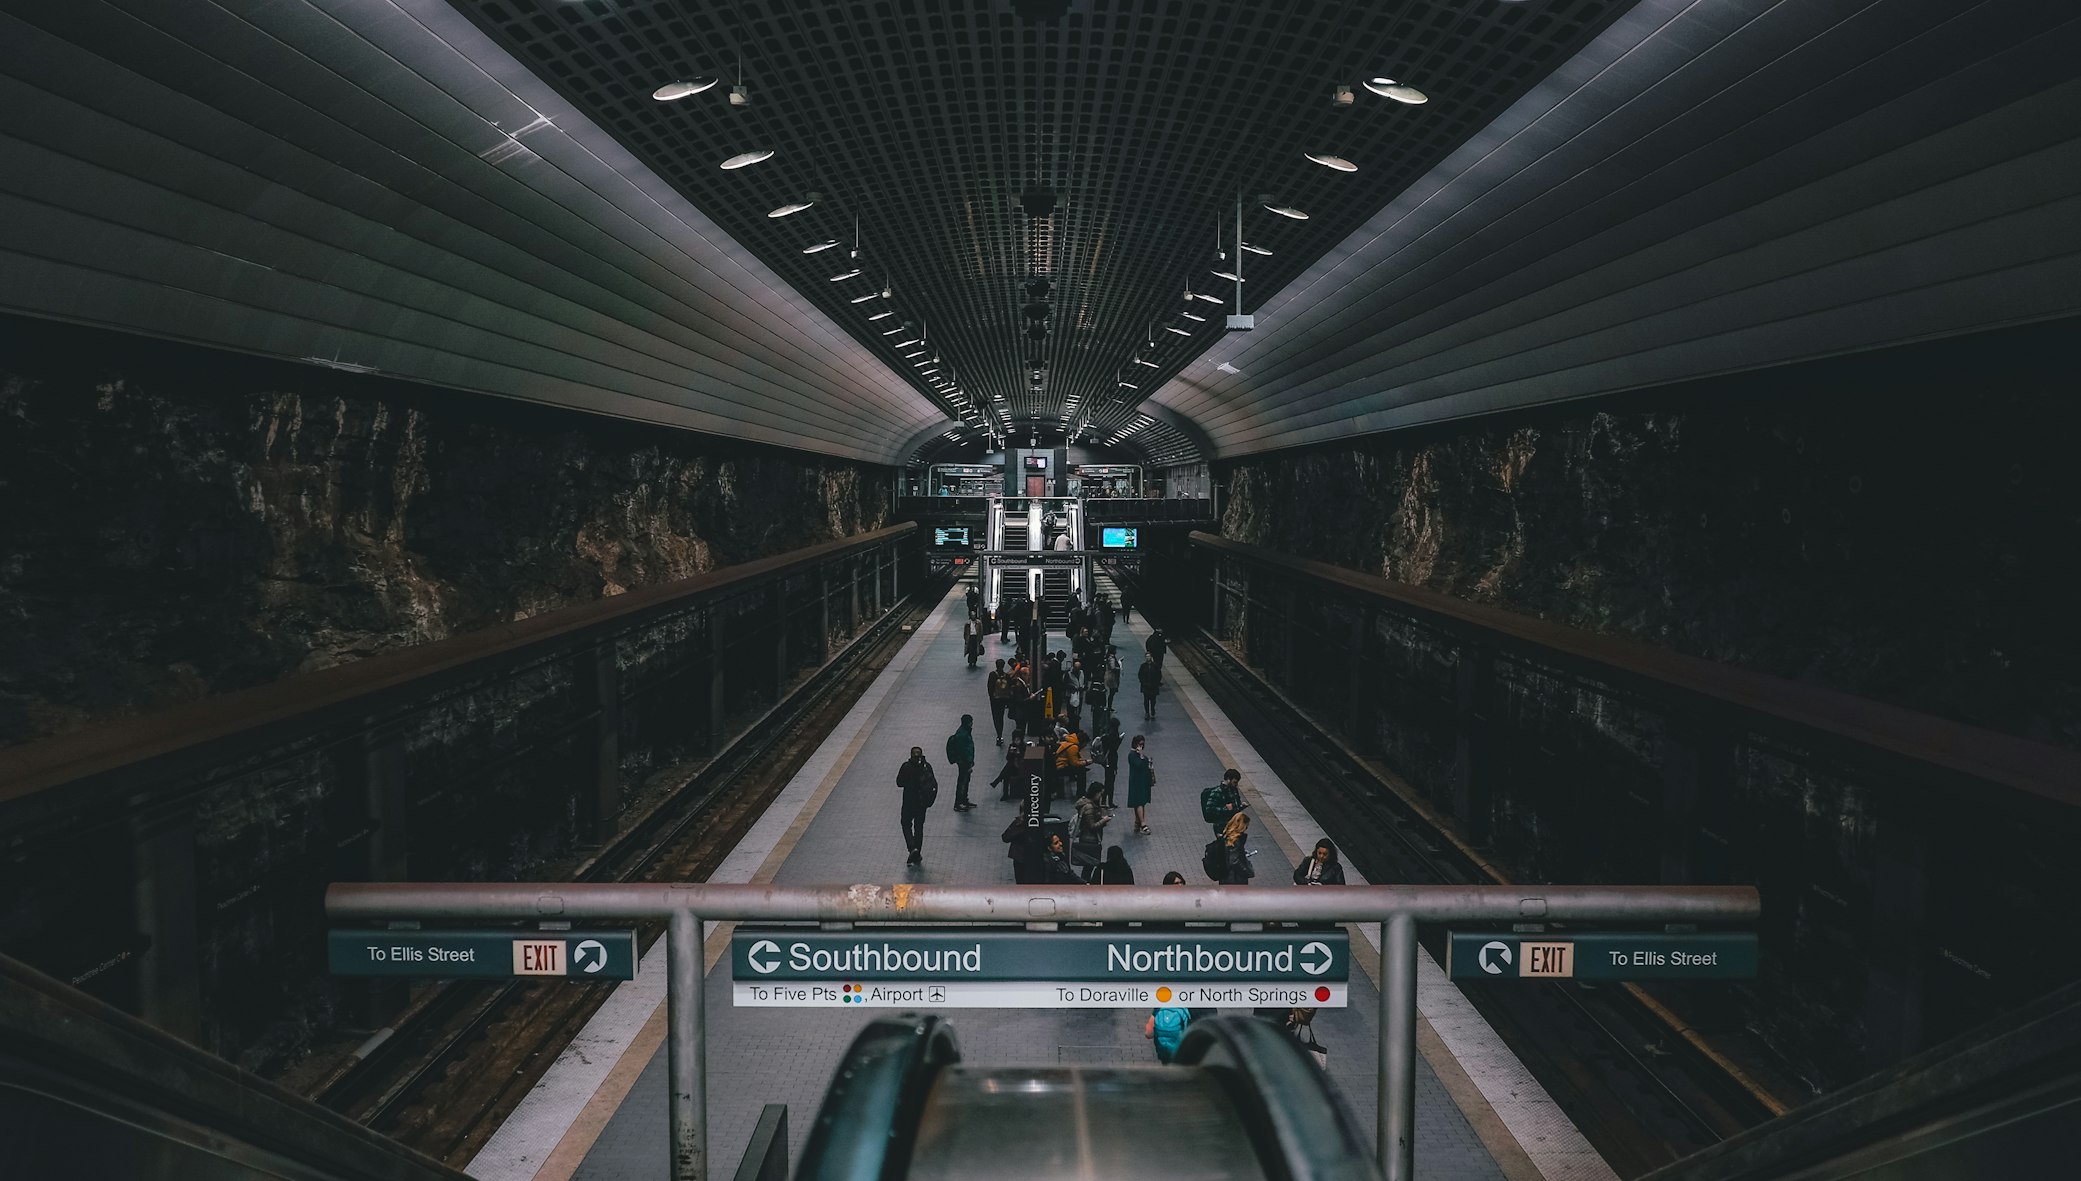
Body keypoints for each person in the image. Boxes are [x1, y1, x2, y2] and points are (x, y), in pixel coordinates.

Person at [896, 746, 938, 866]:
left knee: (906, 824)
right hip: (922, 803)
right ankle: (917, 851)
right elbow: (932, 783)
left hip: (909, 802)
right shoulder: (927, 767)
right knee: (919, 827)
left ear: (911, 755)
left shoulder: (906, 767)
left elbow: (899, 783)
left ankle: (912, 848)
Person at [945, 715, 977, 811]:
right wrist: (969, 762)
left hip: (964, 761)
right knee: (963, 781)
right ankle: (959, 803)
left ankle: (963, 800)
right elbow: (965, 750)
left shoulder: (964, 732)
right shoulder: (963, 734)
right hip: (964, 762)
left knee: (965, 780)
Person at [1202, 768, 1246, 834]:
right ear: (1228, 779)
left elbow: (1234, 807)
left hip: (1234, 824)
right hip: (1221, 825)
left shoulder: (1234, 790)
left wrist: (1241, 806)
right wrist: (1225, 809)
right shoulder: (1217, 791)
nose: (1236, 785)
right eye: (1234, 782)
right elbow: (1209, 809)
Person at [1126, 734, 1154, 835]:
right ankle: (1142, 823)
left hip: (1142, 780)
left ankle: (1137, 822)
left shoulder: (1137, 755)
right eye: (1140, 744)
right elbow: (1139, 765)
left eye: (1142, 744)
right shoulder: (1132, 755)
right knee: (1139, 802)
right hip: (1136, 781)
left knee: (1140, 802)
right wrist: (1142, 756)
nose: (1141, 746)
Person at [1217, 812, 1254, 885]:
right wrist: (1246, 871)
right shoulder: (1235, 840)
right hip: (1235, 878)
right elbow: (1234, 861)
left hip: (1225, 876)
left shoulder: (1226, 835)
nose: (1247, 828)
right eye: (1246, 826)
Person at [986, 659, 1012, 745]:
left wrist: (991, 697)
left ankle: (999, 734)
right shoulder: (1007, 676)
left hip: (995, 700)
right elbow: (1010, 687)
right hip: (1003, 699)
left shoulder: (992, 675)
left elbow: (989, 687)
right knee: (1001, 716)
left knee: (996, 717)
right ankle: (1000, 734)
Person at [1138, 654, 1161, 720]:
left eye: (1149, 656)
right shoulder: (1143, 666)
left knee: (1153, 700)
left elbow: (1159, 675)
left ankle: (1152, 709)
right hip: (1146, 686)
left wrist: (1156, 683)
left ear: (1151, 657)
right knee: (1146, 700)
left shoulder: (1155, 666)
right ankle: (1147, 713)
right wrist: (1144, 683)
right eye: (1146, 656)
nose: (1148, 658)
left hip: (1154, 686)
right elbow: (1140, 675)